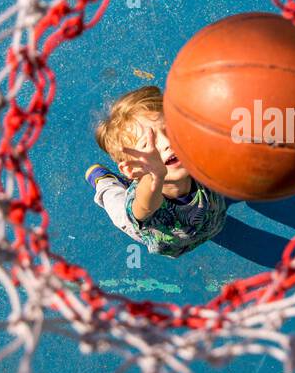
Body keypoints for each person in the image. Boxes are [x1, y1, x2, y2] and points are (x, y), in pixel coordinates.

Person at [85, 85, 227, 257]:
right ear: (131, 169)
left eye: (170, 131)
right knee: (116, 206)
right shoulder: (145, 204)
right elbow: (145, 205)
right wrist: (156, 175)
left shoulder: (195, 158)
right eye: (149, 145)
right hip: (161, 236)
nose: (167, 142)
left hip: (210, 222)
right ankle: (104, 182)